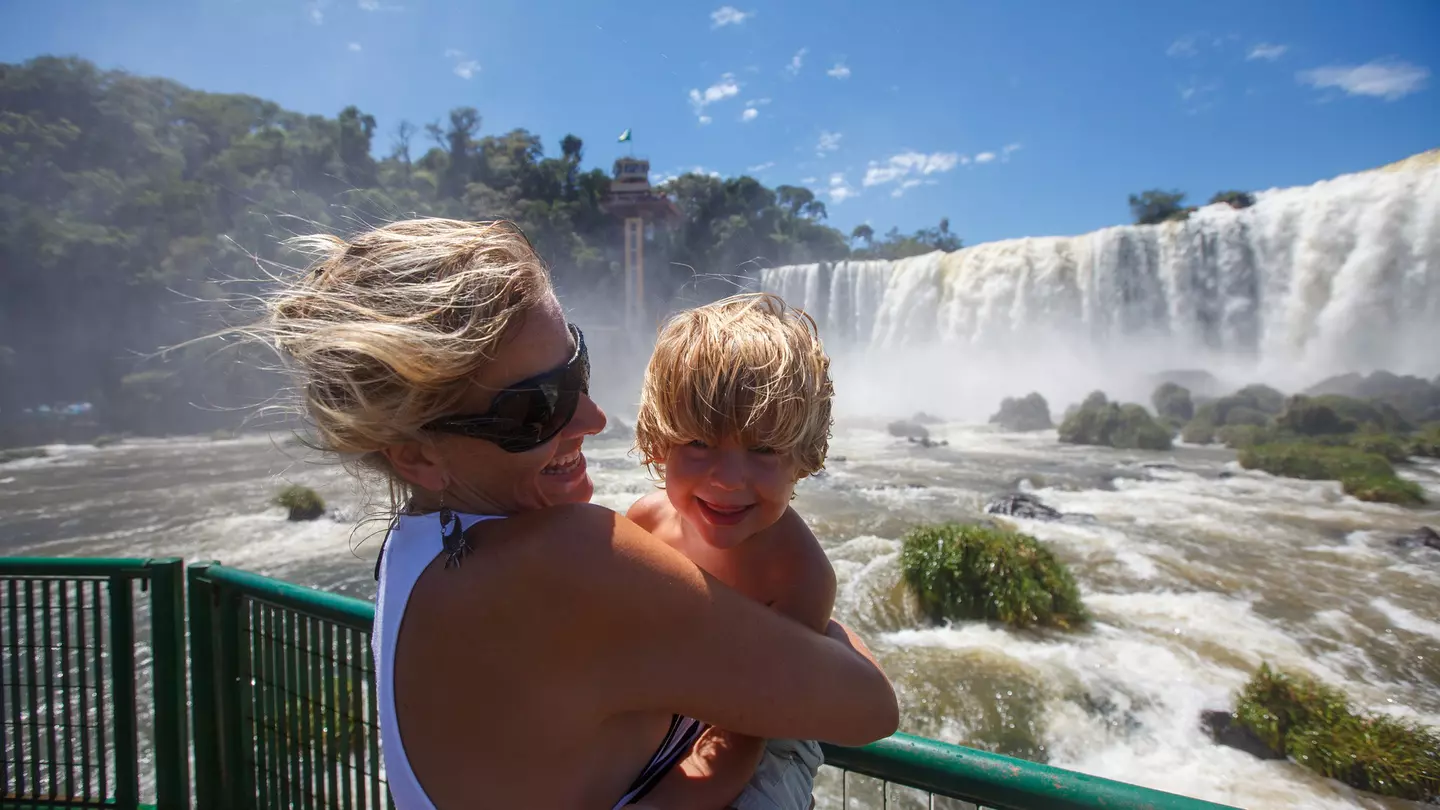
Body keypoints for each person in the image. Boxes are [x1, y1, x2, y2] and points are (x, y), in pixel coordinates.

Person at [254, 218, 898, 809]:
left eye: (576, 369)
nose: (591, 419)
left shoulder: (411, 543)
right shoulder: (574, 558)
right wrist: (825, 635)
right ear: (417, 457)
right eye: (537, 406)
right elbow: (870, 707)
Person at [627, 293, 836, 810]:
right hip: (665, 711)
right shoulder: (644, 523)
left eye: (763, 450)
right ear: (661, 441)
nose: (726, 479)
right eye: (698, 442)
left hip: (763, 737)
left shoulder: (798, 575)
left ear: (802, 458)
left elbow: (744, 737)